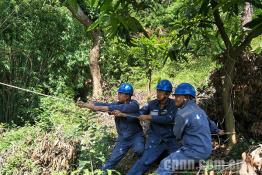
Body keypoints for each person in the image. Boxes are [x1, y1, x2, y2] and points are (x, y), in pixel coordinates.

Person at [77, 83, 144, 172]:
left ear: (127, 96)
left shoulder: (134, 105)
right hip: (123, 139)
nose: (118, 95)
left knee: (140, 151)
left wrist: (90, 106)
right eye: (118, 93)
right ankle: (102, 173)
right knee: (111, 161)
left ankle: (144, 166)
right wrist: (89, 104)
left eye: (120, 94)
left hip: (136, 136)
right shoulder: (117, 103)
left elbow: (110, 107)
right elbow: (106, 105)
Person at [156, 83, 215, 175]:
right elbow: (211, 124)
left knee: (164, 164)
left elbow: (177, 135)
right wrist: (218, 130)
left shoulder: (182, 114)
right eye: (175, 96)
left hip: (195, 152)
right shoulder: (200, 110)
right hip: (207, 149)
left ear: (186, 97)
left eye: (178, 96)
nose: (175, 99)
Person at [127, 80, 179, 175]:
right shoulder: (151, 104)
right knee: (144, 161)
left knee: (179, 162)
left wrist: (150, 117)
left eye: (160, 92)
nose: (158, 93)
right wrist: (136, 114)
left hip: (171, 140)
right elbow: (141, 112)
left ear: (167, 94)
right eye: (157, 91)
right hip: (155, 139)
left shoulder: (173, 104)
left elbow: (169, 119)